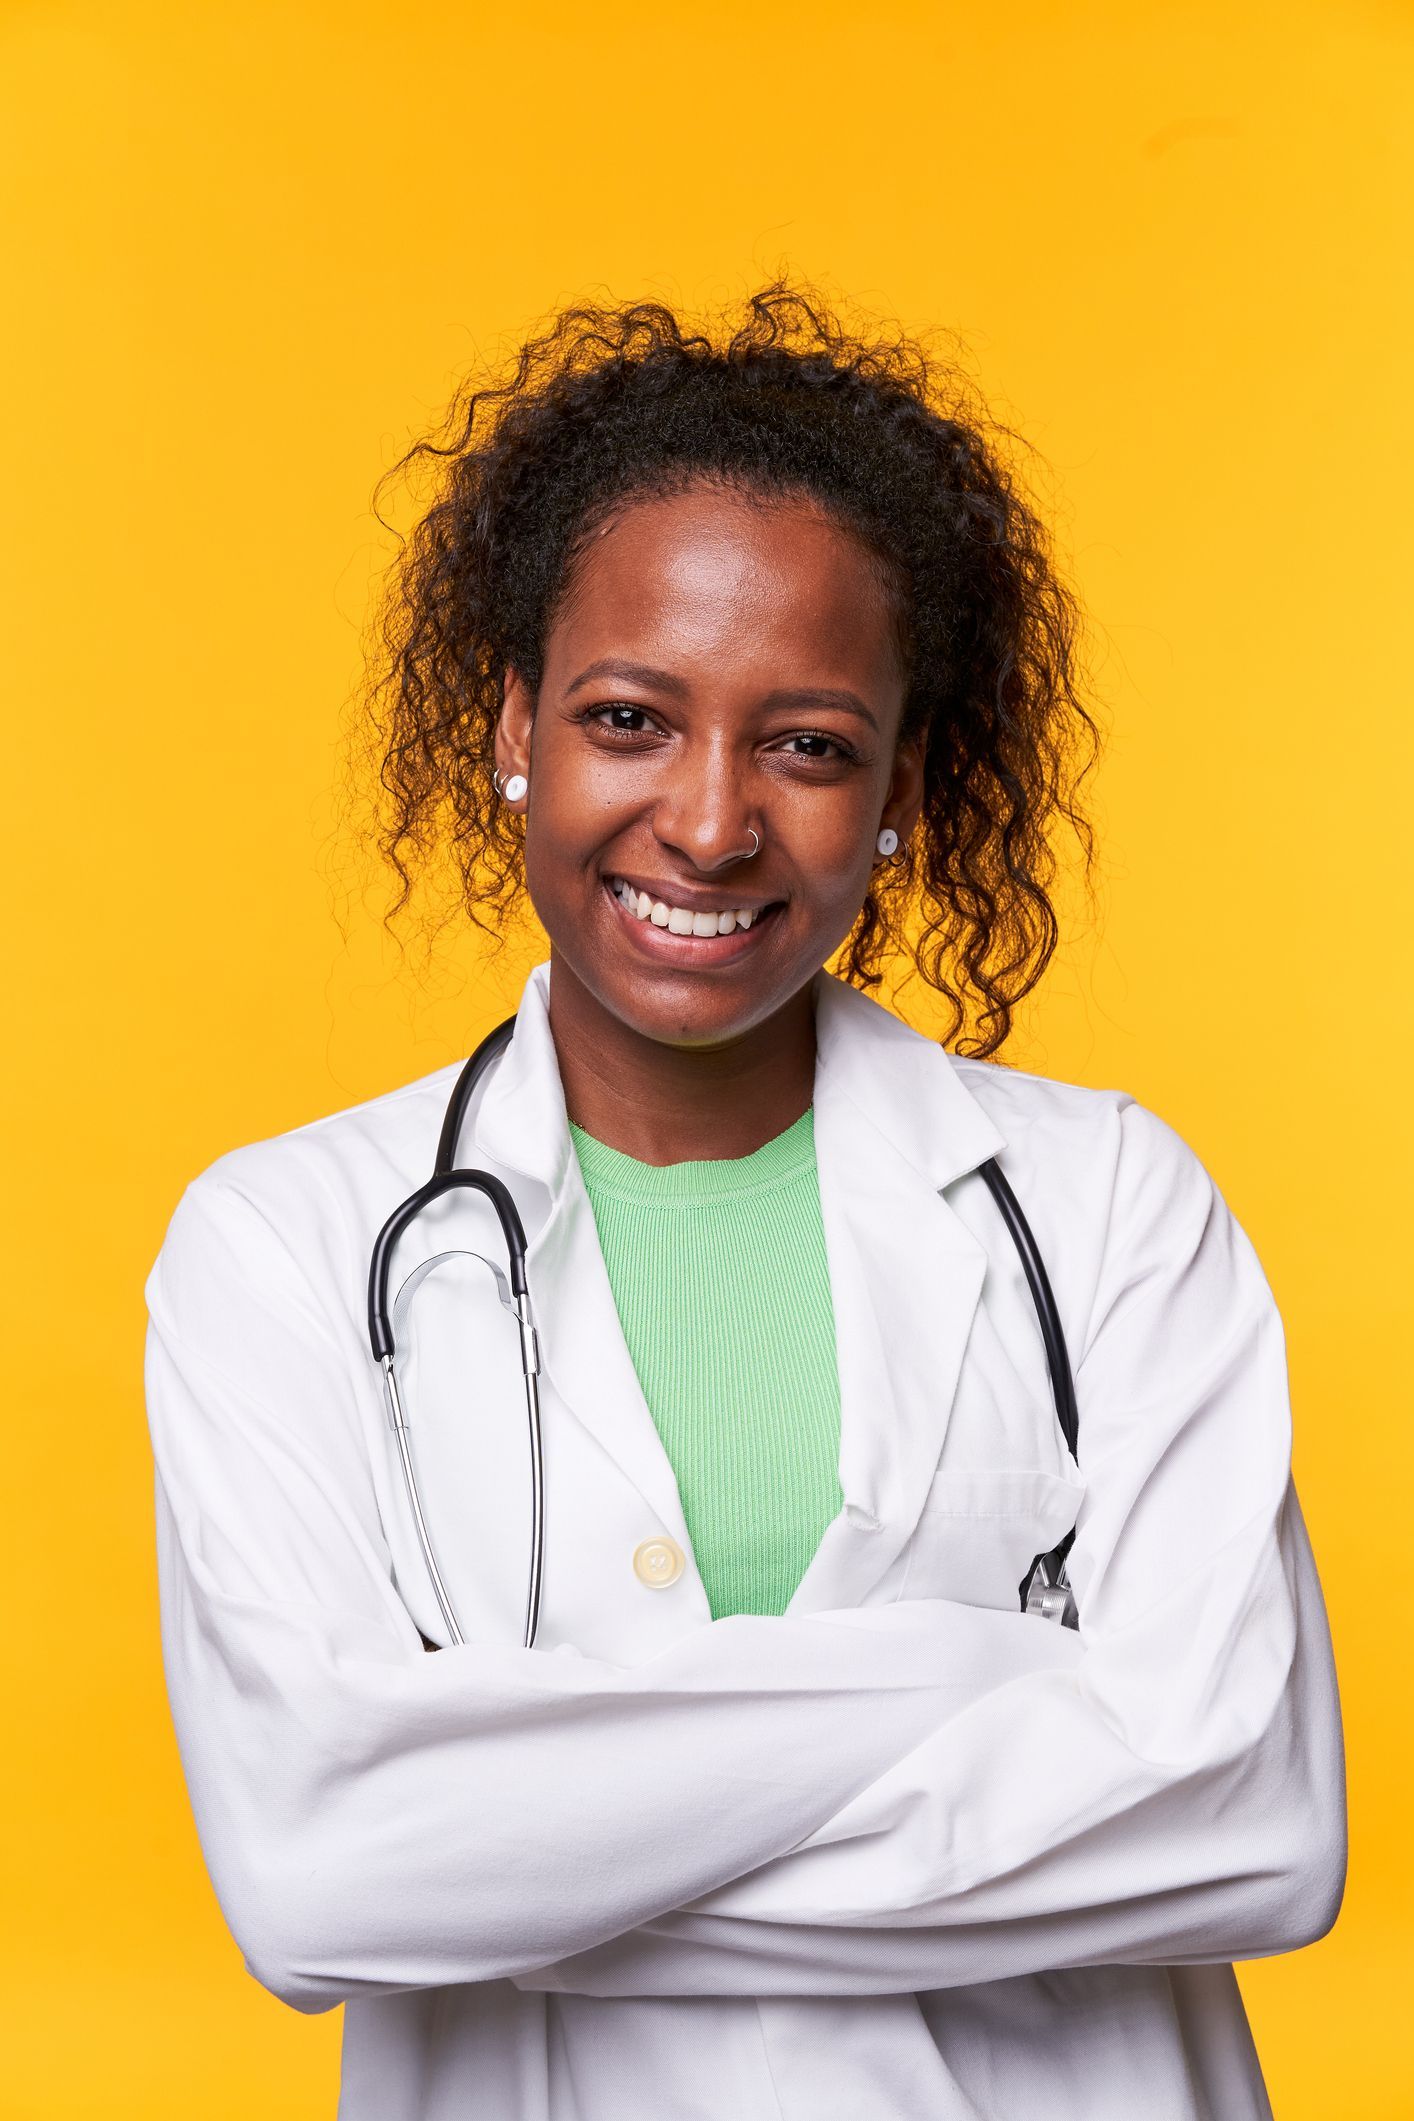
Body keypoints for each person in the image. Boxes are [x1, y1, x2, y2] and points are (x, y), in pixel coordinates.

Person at [143, 283, 1346, 2120]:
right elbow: (321, 1876)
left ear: (898, 793)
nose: (708, 825)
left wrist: (531, 1866)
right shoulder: (284, 1246)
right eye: (630, 717)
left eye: (803, 743)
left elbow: (1255, 1826)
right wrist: (990, 1676)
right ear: (513, 734)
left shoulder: (1107, 1204)